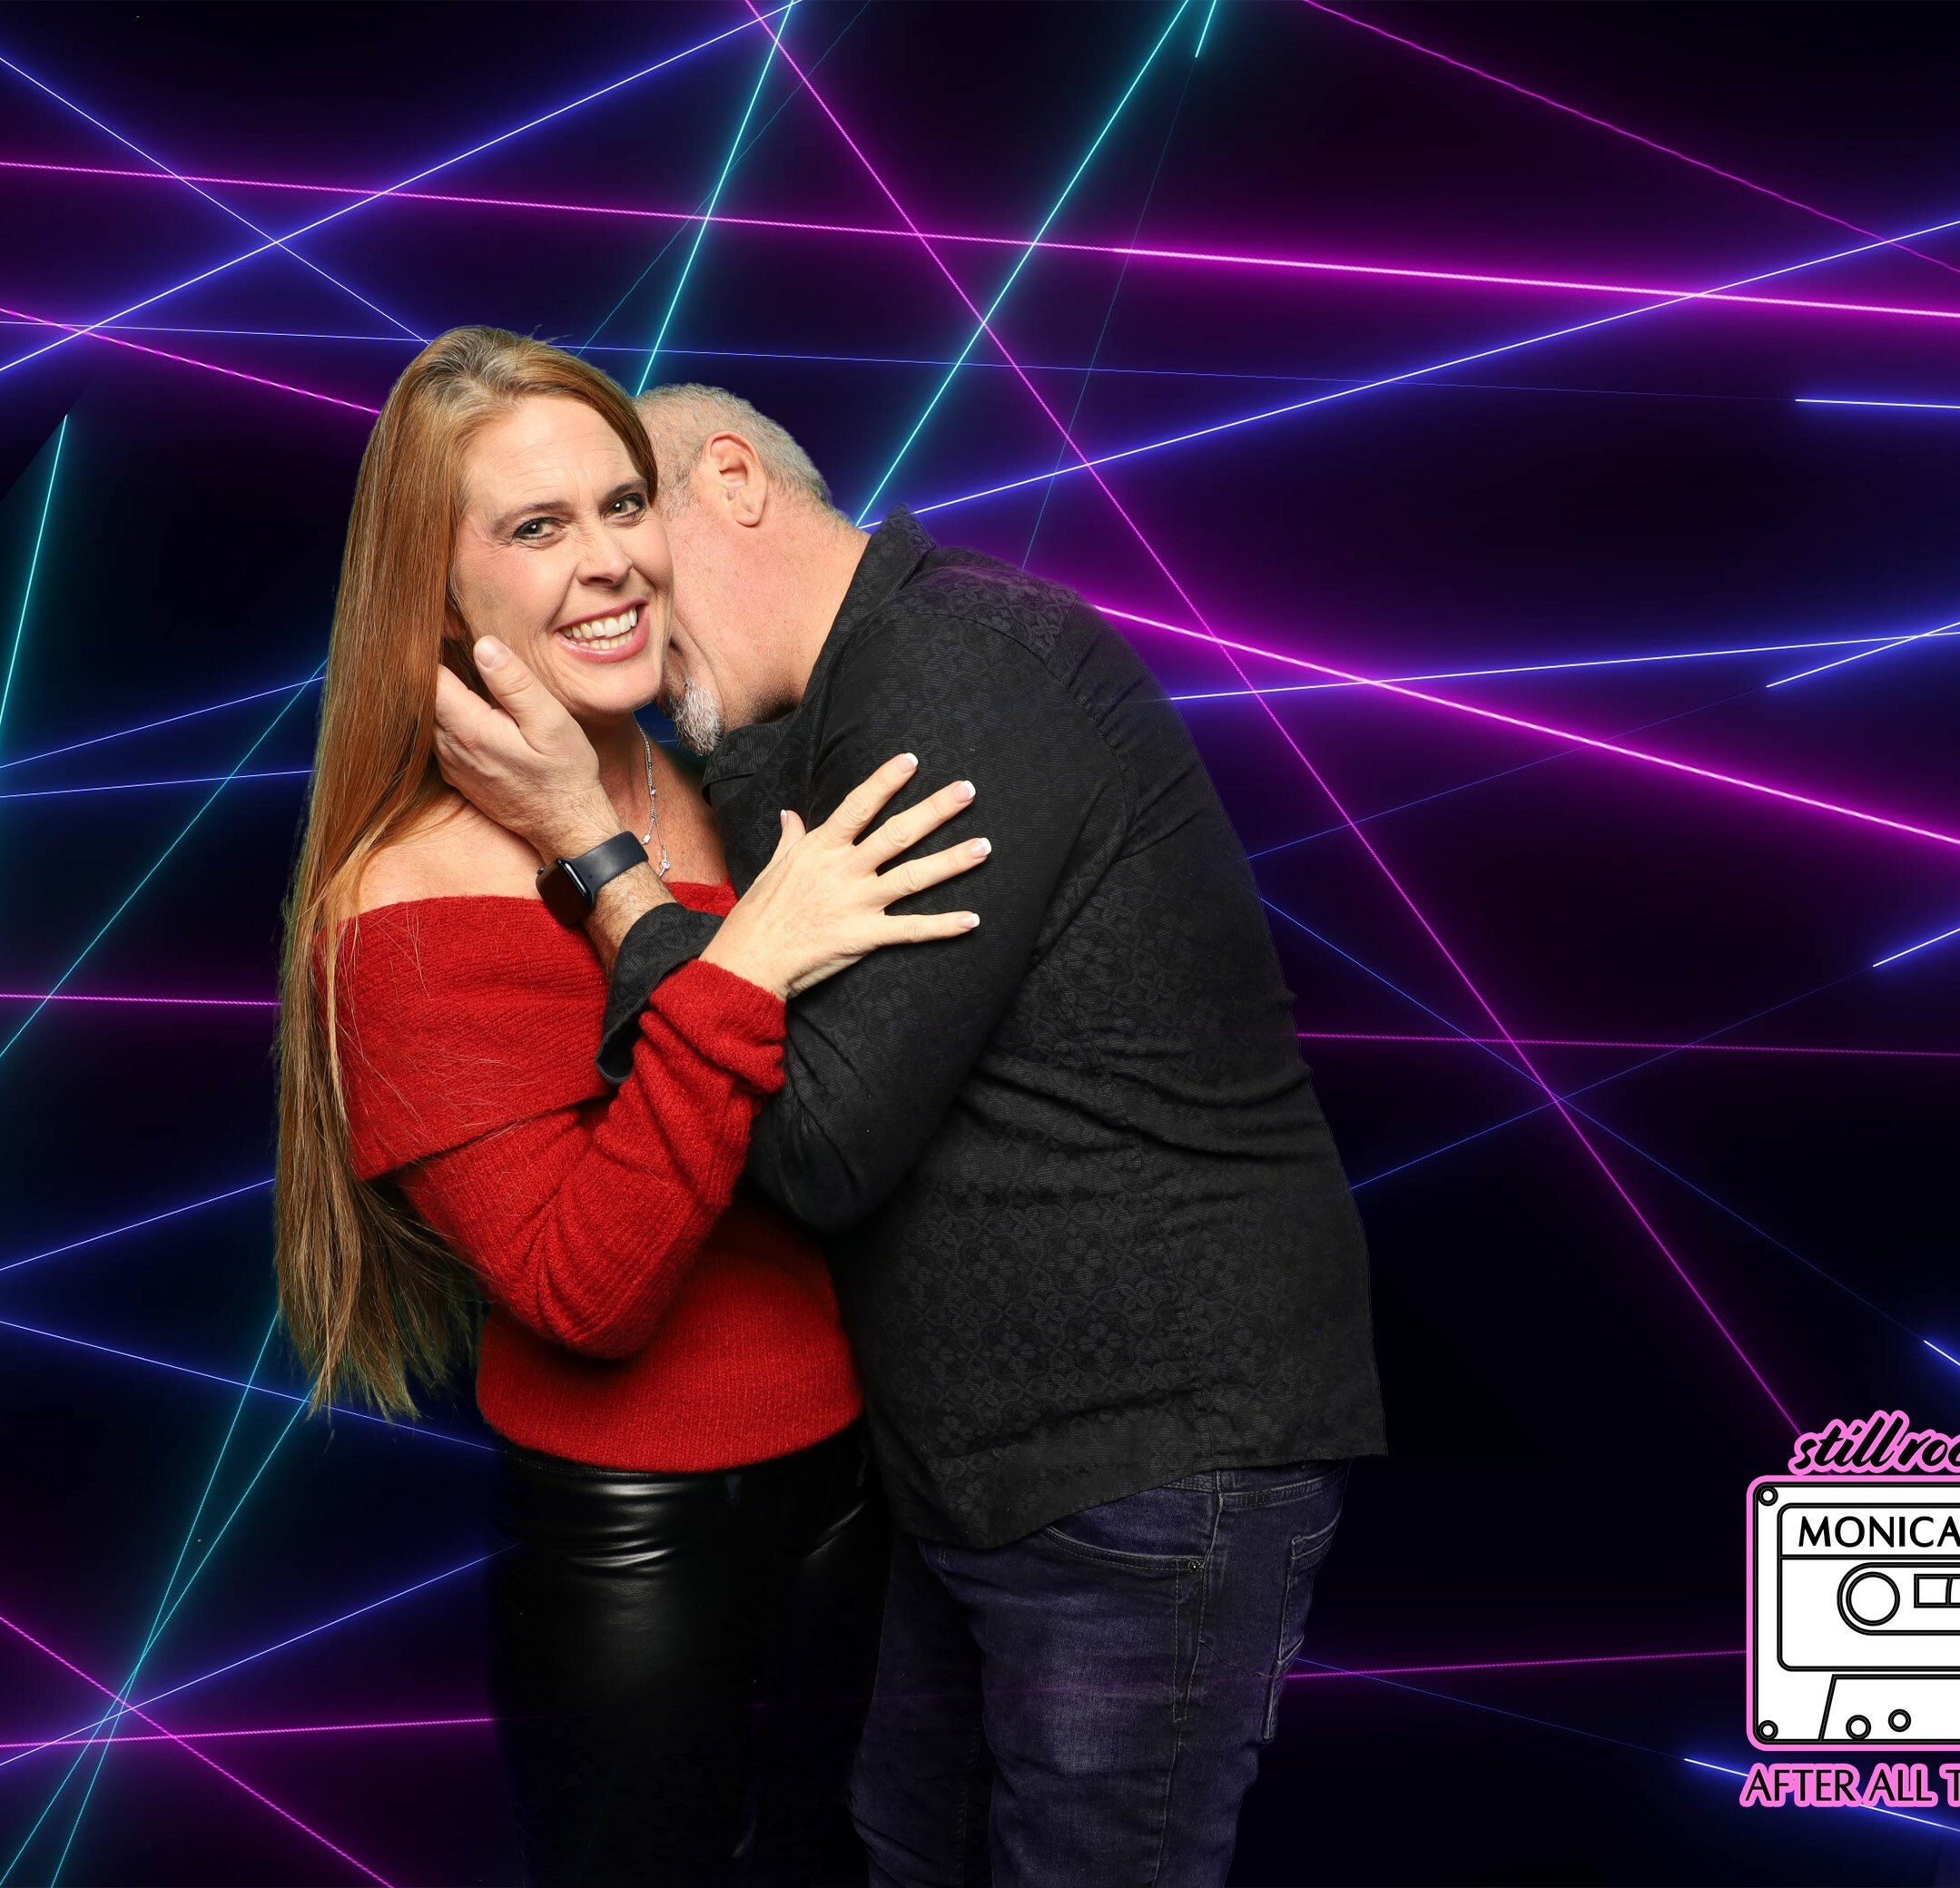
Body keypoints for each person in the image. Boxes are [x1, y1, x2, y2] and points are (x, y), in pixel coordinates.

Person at [432, 383, 1389, 1886]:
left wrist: (593, 853)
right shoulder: (815, 714)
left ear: (729, 479)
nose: (619, 597)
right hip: (972, 1470)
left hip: (1145, 1459)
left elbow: (816, 1142)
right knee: (898, 1856)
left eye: (631, 522)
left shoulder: (960, 661)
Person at [271, 330, 990, 1886]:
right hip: (643, 1541)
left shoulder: (722, 786)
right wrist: (740, 965)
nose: (607, 562)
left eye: (621, 505)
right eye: (537, 528)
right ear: (436, 593)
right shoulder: (403, 907)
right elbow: (584, 1292)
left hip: (866, 1483)